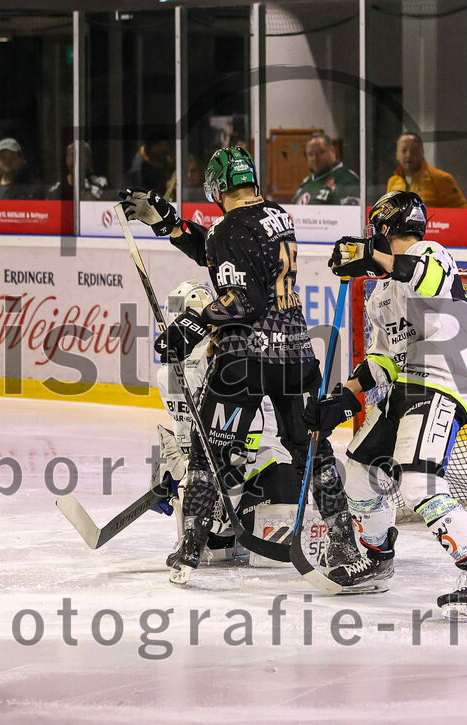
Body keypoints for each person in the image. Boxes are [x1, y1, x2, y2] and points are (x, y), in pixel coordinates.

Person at [118, 147, 360, 586]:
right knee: (311, 450)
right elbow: (224, 256)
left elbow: (242, 298)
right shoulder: (278, 216)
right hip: (294, 353)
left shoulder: (227, 228)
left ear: (216, 187)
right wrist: (170, 224)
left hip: (245, 359)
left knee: (207, 453)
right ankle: (345, 544)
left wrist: (191, 324)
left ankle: (191, 547)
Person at [302, 190, 467, 618]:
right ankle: (377, 560)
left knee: (418, 484)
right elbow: (384, 361)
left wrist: (369, 255)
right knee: (360, 472)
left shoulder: (432, 254)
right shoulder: (381, 294)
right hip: (407, 384)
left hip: (443, 380)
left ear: (384, 227)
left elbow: (423, 278)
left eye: (375, 231)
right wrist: (343, 398)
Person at [152, 279, 302, 566]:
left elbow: (251, 434)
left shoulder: (236, 356)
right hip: (219, 473)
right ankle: (211, 530)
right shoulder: (169, 373)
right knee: (217, 555)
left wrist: (225, 488)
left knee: (274, 561)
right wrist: (170, 468)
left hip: (264, 468)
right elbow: (186, 433)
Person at [386, 132, 467, 209]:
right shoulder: (393, 182)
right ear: (397, 154)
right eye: (404, 150)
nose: (409, 155)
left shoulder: (441, 179)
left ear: (422, 152)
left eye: (414, 150)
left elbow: (462, 213)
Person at [292, 132, 360, 205]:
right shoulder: (306, 182)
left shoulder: (347, 180)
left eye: (320, 152)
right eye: (310, 154)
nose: (315, 158)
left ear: (332, 151)